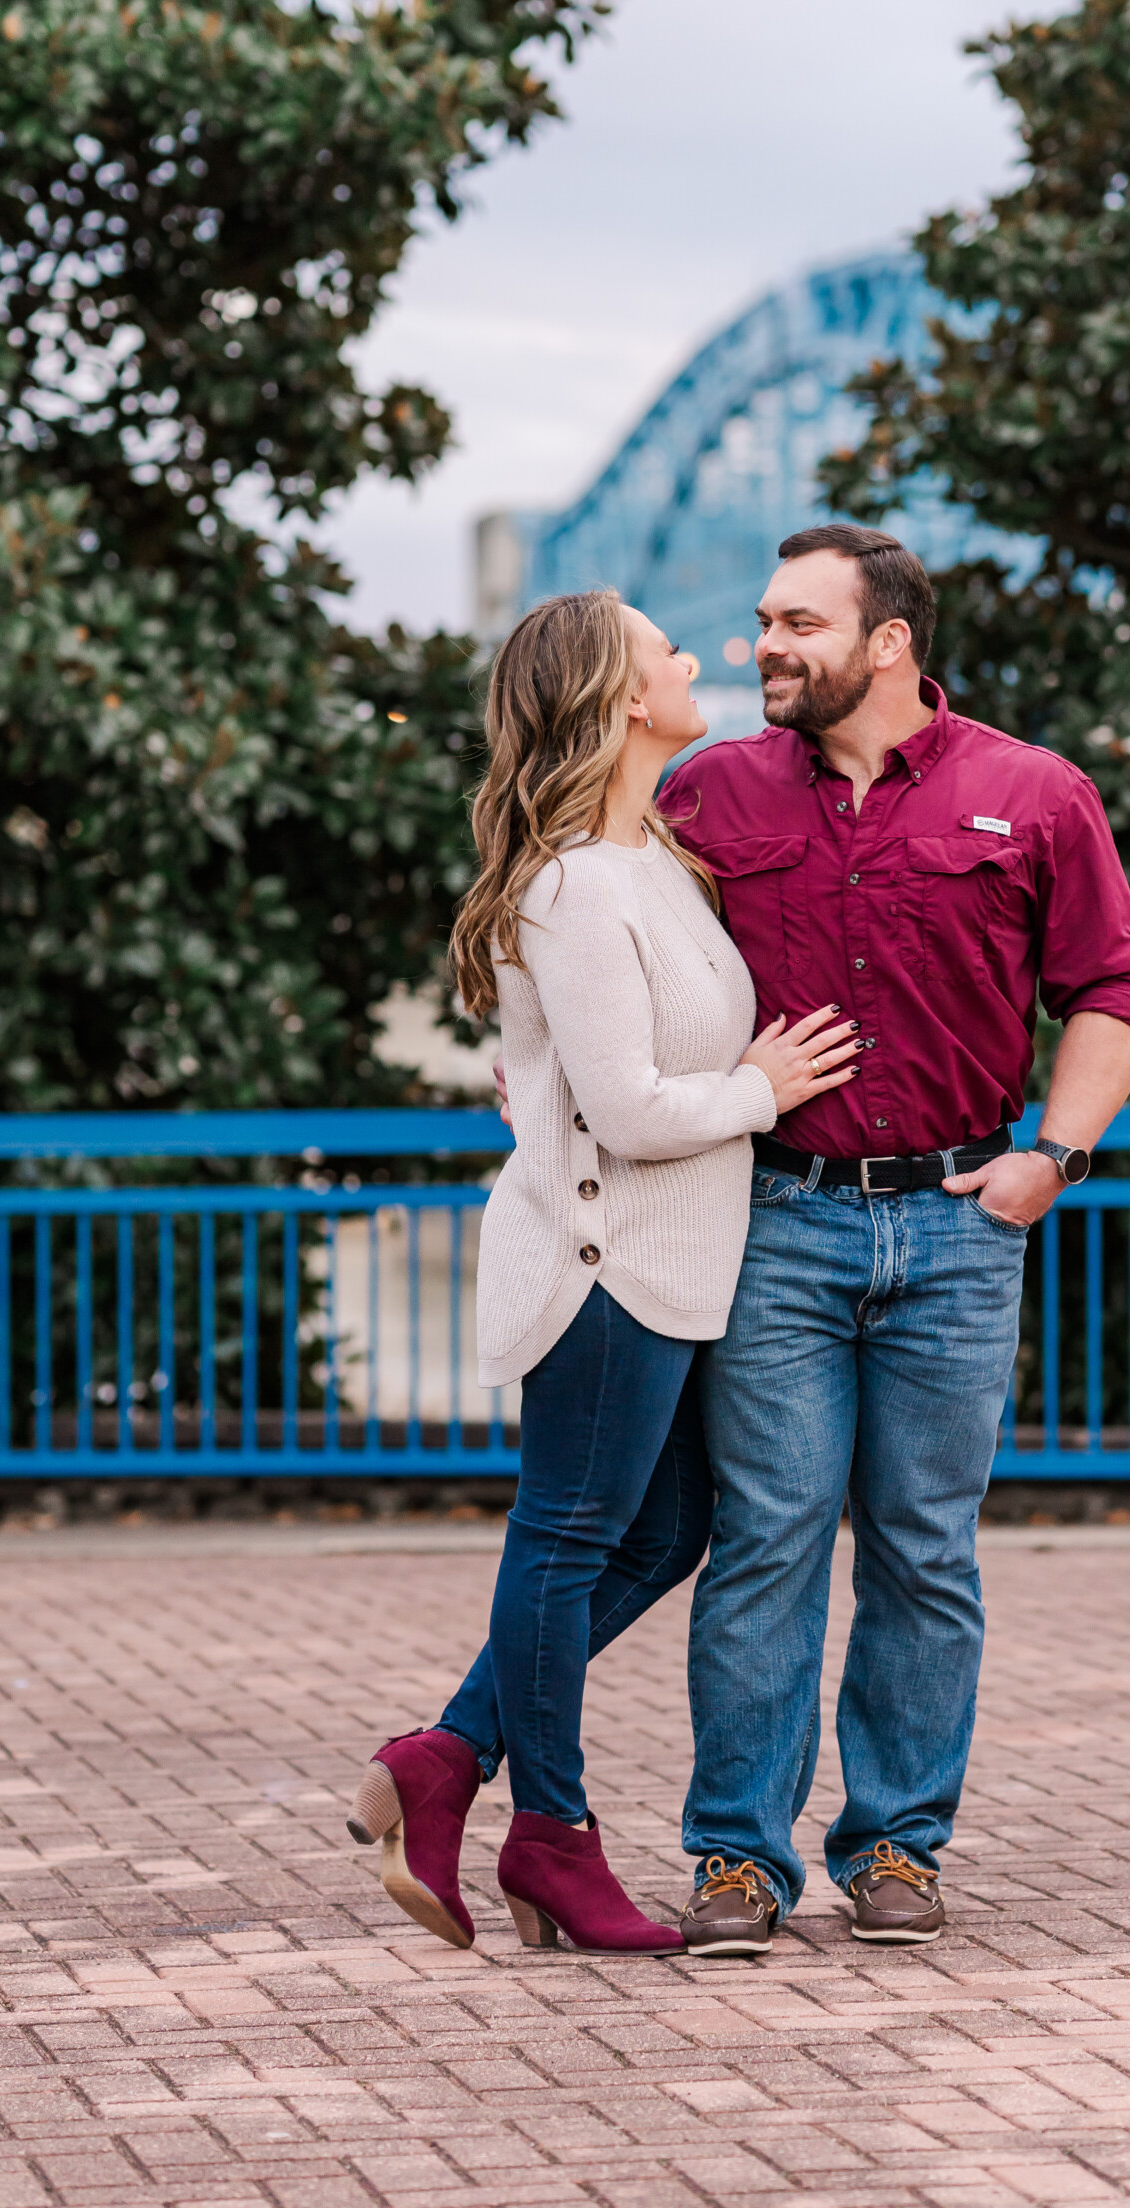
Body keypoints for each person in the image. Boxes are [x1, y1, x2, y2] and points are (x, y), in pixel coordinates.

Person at [662, 524, 1130, 1954]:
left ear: (889, 643)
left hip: (957, 1229)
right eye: (764, 617)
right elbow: (604, 933)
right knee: (764, 1543)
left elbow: (1114, 986)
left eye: (799, 624)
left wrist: (1050, 1159)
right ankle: (737, 1860)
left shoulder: (1035, 792)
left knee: (925, 1551)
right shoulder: (707, 794)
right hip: (776, 1222)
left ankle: (896, 1844)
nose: (767, 644)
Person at [345, 588, 858, 1957]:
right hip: (602, 1263)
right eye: (666, 652)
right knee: (569, 1540)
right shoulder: (572, 884)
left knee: (658, 1533)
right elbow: (627, 1110)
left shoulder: (654, 867)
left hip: (674, 1269)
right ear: (627, 702)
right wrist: (759, 1086)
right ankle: (553, 1840)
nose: (699, 662)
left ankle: (448, 1758)